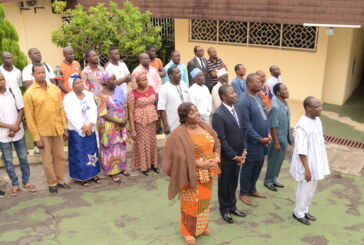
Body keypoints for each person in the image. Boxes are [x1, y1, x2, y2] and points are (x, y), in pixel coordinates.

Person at [162, 102, 221, 245]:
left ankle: (202, 227)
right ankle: (187, 232)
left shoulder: (204, 125)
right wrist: (201, 164)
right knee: (191, 203)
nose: (197, 113)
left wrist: (216, 157)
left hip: (209, 172)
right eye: (192, 112)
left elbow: (216, 142)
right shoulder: (179, 134)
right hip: (190, 174)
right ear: (185, 117)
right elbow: (179, 156)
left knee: (204, 202)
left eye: (196, 110)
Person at [23, 64, 69, 194]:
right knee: (47, 160)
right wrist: (36, 138)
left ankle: (60, 181)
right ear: (33, 75)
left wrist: (64, 128)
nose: (41, 75)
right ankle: (52, 183)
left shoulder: (54, 88)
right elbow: (30, 118)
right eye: (38, 73)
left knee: (60, 157)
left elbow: (60, 109)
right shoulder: (29, 93)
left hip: (57, 129)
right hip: (43, 132)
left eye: (43, 72)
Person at [290, 96, 330, 225]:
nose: (320, 108)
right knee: (304, 189)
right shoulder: (302, 126)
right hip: (306, 165)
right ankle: (298, 212)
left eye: (320, 105)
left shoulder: (317, 120)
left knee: (312, 189)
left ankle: (305, 209)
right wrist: (307, 169)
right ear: (308, 108)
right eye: (317, 106)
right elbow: (301, 150)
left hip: (316, 163)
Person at [211, 84, 248, 224]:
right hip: (228, 157)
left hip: (239, 155)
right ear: (224, 97)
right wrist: (234, 156)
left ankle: (233, 206)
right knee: (224, 183)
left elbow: (242, 130)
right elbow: (221, 139)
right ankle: (225, 209)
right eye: (232, 93)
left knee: (233, 182)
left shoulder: (237, 109)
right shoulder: (218, 115)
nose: (235, 95)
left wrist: (244, 149)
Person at [236, 73, 271, 205]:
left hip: (262, 141)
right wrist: (259, 139)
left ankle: (252, 189)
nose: (261, 83)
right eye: (258, 82)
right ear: (250, 84)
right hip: (252, 142)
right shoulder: (243, 101)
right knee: (249, 166)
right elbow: (245, 125)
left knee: (258, 165)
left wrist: (267, 133)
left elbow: (263, 116)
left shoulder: (257, 96)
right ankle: (243, 192)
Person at [0, 72, 36, 196]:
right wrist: (10, 127)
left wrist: (15, 127)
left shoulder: (13, 91)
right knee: (8, 161)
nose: (2, 81)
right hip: (3, 135)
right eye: (0, 80)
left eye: (3, 79)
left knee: (23, 158)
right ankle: (15, 184)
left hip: (18, 132)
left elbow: (21, 109)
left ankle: (26, 181)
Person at [63, 74, 101, 187]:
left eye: (81, 82)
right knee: (79, 153)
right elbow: (69, 115)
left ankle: (94, 174)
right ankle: (82, 177)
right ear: (72, 85)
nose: (80, 85)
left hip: (90, 128)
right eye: (77, 83)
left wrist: (90, 125)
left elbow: (94, 110)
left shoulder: (89, 95)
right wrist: (82, 127)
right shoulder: (68, 97)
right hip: (77, 130)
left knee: (92, 151)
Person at [97, 72, 130, 182]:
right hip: (108, 126)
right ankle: (111, 172)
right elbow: (103, 114)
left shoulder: (118, 91)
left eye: (116, 79)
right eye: (112, 79)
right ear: (106, 82)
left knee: (121, 146)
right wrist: (118, 122)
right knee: (110, 149)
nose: (115, 81)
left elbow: (125, 105)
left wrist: (125, 118)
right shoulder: (101, 96)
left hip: (121, 124)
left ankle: (121, 168)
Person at [128, 70, 160, 176]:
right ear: (137, 82)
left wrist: (157, 118)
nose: (146, 81)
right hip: (140, 121)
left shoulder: (151, 89)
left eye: (146, 79)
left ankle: (153, 164)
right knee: (142, 142)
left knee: (152, 141)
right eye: (143, 80)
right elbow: (131, 113)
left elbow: (155, 105)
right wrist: (132, 130)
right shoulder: (132, 93)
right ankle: (143, 166)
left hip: (152, 119)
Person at [264, 83, 291, 192]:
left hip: (284, 139)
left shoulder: (285, 103)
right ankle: (268, 181)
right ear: (278, 93)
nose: (287, 91)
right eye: (285, 89)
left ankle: (274, 179)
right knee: (273, 161)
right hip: (278, 140)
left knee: (279, 161)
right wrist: (276, 142)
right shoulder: (275, 107)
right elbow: (273, 126)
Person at [158, 67, 190, 135]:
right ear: (171, 76)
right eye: (177, 73)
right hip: (172, 122)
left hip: (187, 120)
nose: (179, 74)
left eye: (179, 72)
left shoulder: (183, 84)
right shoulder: (164, 88)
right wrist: (165, 125)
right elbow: (161, 108)